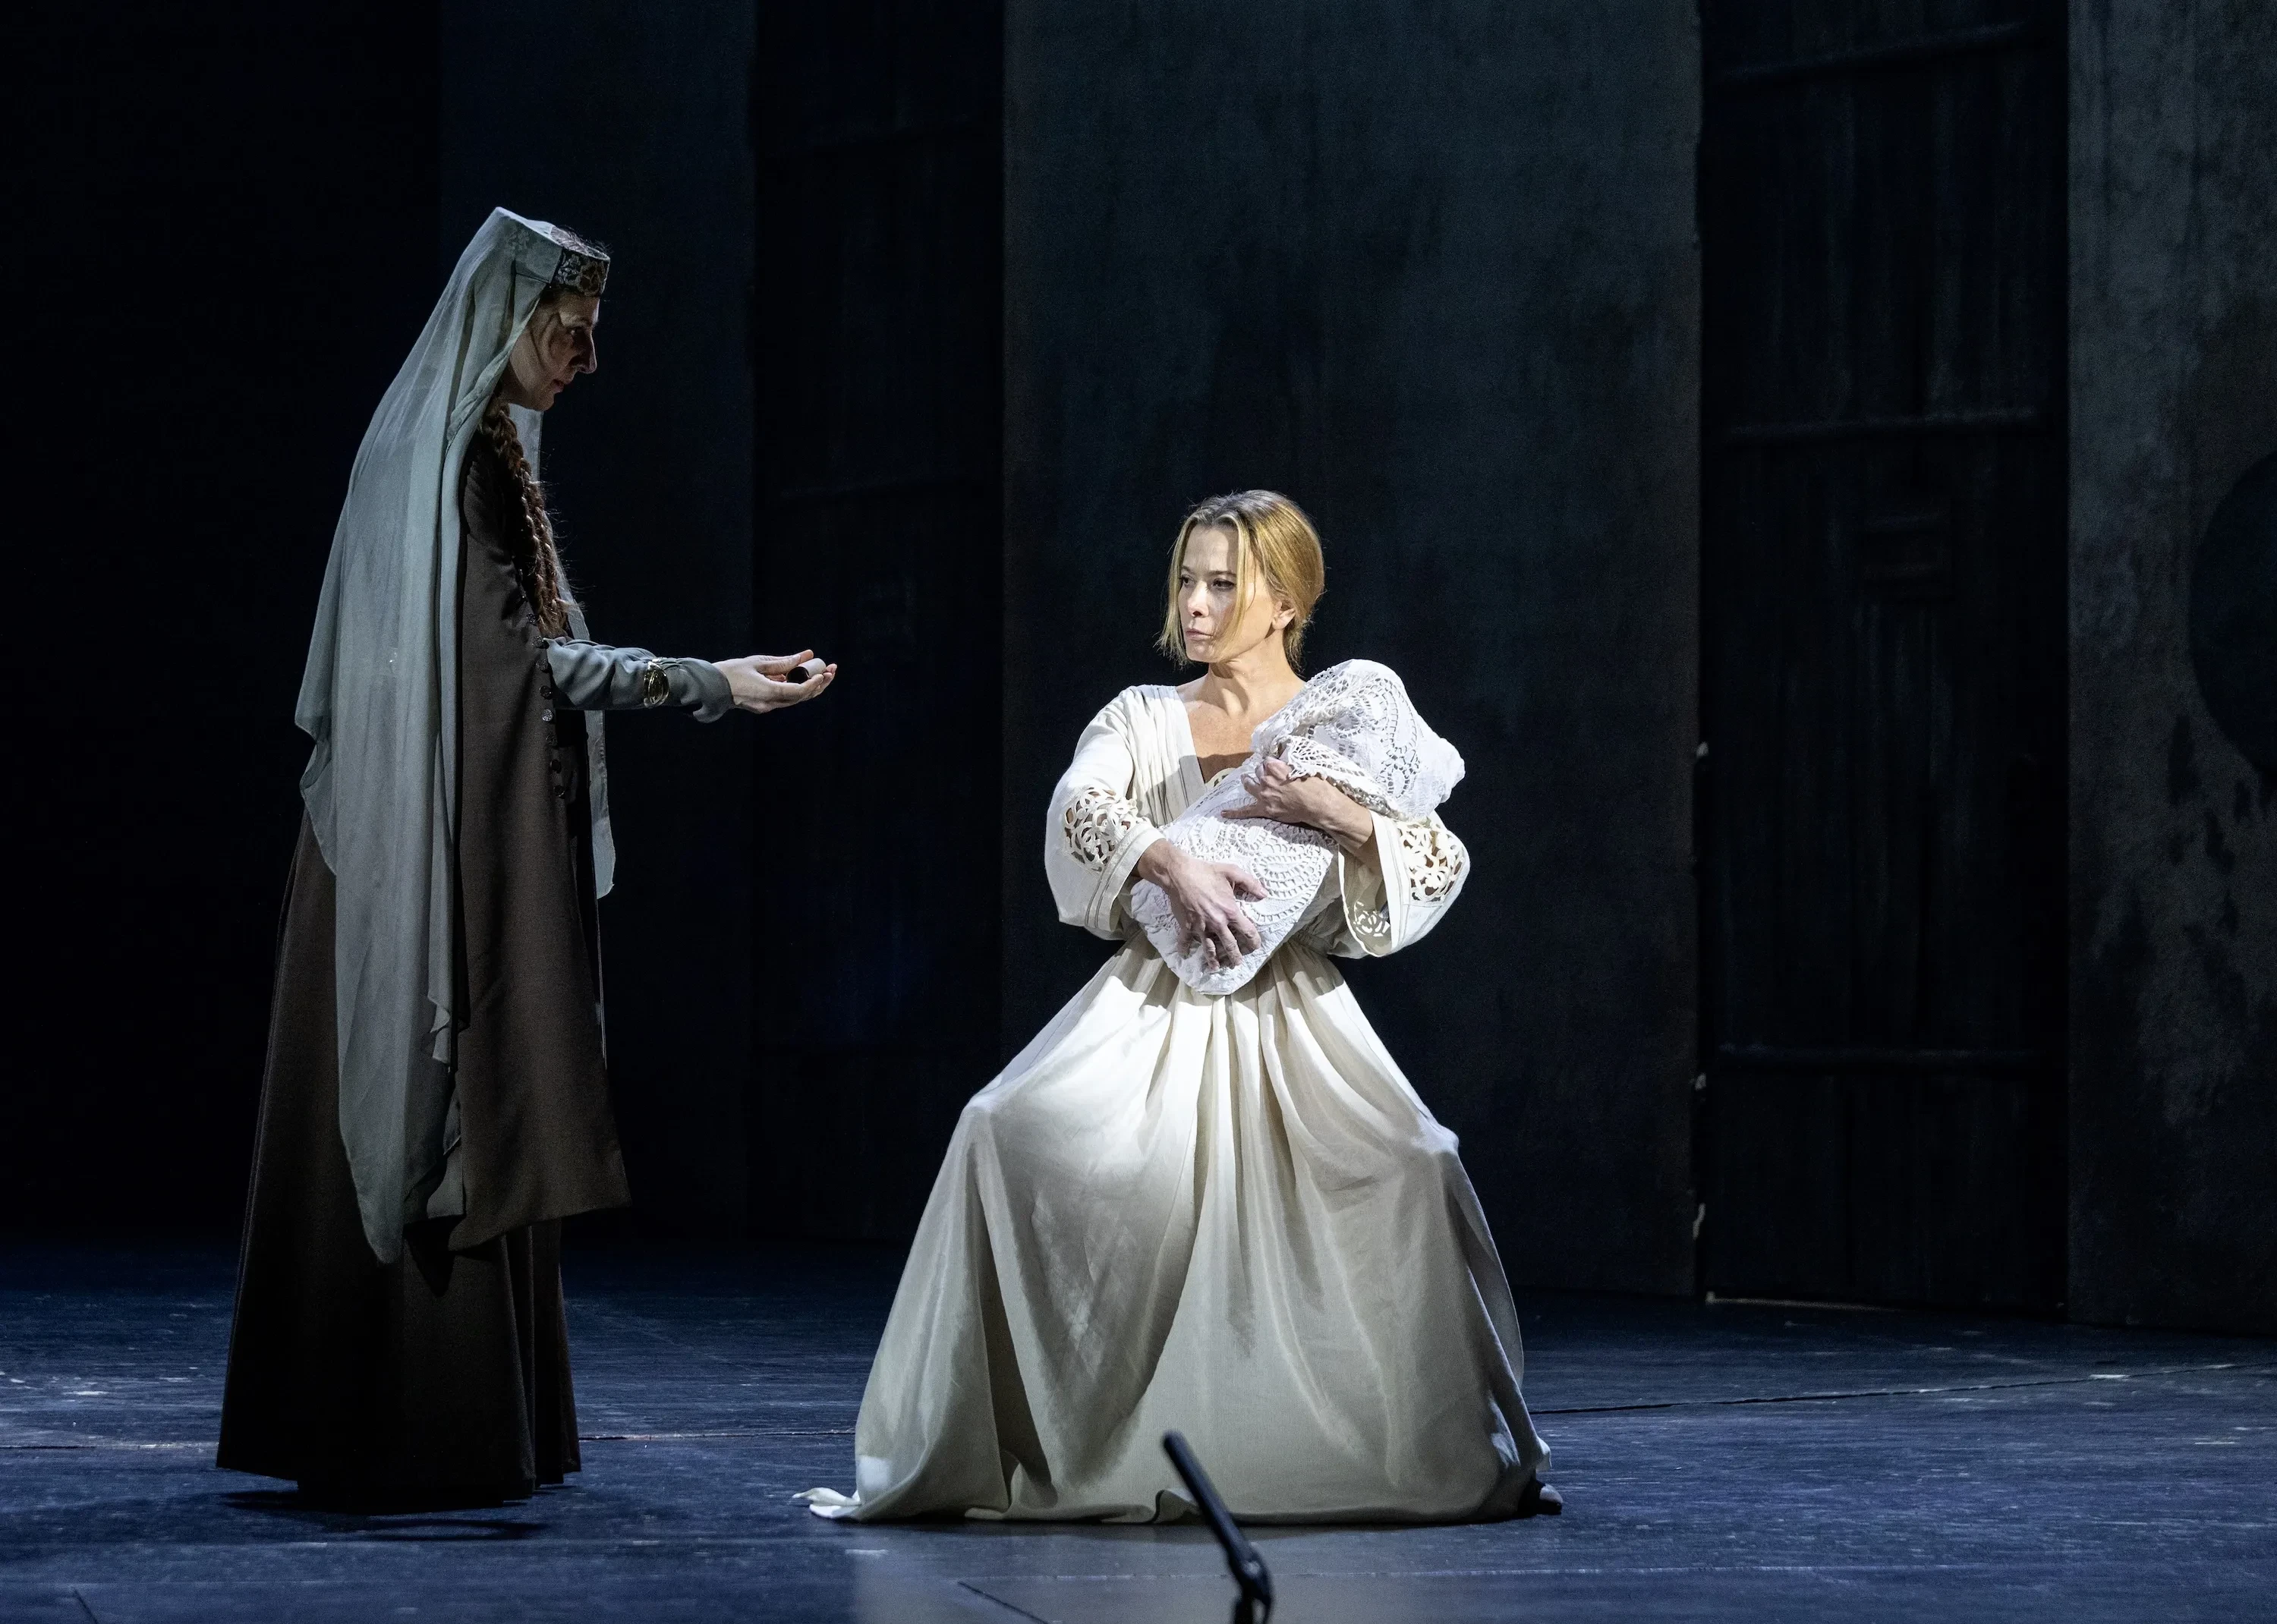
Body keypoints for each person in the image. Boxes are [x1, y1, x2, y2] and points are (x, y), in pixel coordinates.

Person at [218, 209, 834, 1508]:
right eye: (570, 334)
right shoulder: (453, 463)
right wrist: (707, 682)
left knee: (456, 1094)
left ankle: (432, 1422)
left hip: (434, 821)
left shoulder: (480, 446)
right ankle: (411, 1426)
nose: (588, 362)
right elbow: (515, 666)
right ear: (508, 323)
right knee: (434, 1091)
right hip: (414, 842)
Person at [805, 489, 1554, 1523]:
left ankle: (1399, 1450)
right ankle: (1024, 1439)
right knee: (1001, 1127)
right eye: (1187, 581)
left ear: (1286, 601)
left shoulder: (1339, 721)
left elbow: (1435, 857)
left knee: (1415, 1161)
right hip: (1153, 1003)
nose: (1195, 605)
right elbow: (1082, 802)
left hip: (1288, 1010)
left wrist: (1337, 815)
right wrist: (1171, 863)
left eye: (1222, 584)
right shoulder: (1143, 716)